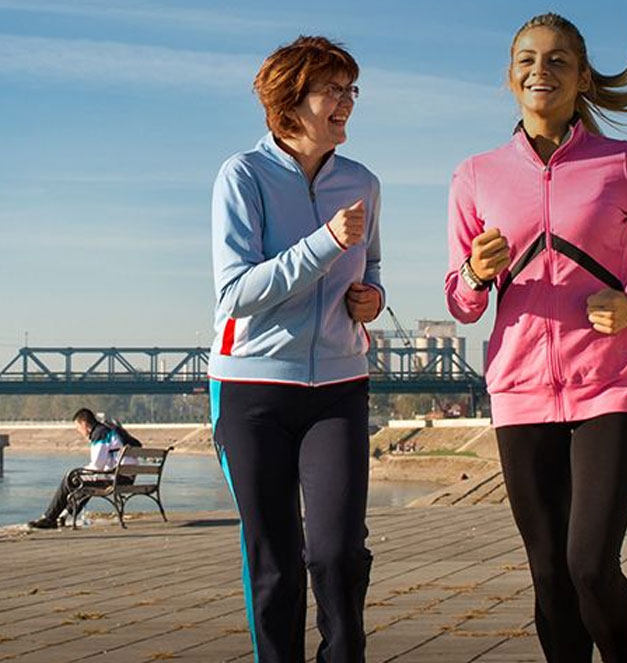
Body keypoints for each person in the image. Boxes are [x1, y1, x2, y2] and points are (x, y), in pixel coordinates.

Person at [444, 13, 627, 663]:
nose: (541, 70)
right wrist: (476, 271)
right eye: (527, 59)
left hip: (608, 387)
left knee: (589, 564)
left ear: (583, 77)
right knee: (550, 576)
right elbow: (460, 301)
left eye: (558, 60)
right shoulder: (475, 175)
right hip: (520, 392)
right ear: (509, 78)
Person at [209, 36, 383, 663]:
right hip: (252, 389)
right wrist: (325, 243)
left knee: (338, 552)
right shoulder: (243, 176)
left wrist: (373, 299)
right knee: (276, 560)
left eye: (349, 90)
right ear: (290, 103)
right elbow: (236, 292)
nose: (346, 103)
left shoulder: (362, 182)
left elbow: (375, 268)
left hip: (339, 386)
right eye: (332, 90)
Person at [27, 408, 131, 529]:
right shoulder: (109, 431)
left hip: (116, 478)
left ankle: (49, 518)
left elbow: (97, 466)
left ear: (84, 424)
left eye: (78, 427)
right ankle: (64, 516)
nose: (79, 431)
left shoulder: (100, 433)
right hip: (126, 477)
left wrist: (79, 472)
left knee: (69, 479)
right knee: (85, 482)